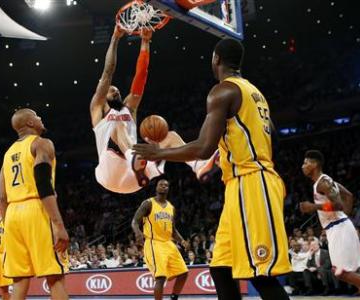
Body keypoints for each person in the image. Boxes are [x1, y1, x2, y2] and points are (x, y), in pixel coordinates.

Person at [133, 38, 291, 300]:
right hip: (240, 184)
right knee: (221, 268)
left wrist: (159, 152)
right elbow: (272, 135)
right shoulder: (254, 93)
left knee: (260, 274)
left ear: (216, 58)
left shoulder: (222, 91)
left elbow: (204, 147)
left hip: (251, 182)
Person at [90, 25, 218, 194]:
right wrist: (115, 38)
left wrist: (145, 41)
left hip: (133, 180)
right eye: (112, 90)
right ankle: (134, 158)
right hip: (109, 174)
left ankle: (198, 165)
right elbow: (108, 71)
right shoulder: (97, 109)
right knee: (118, 125)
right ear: (102, 94)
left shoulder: (130, 109)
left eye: (117, 90)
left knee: (170, 136)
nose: (116, 90)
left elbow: (141, 76)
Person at [0, 109, 69, 299]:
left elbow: (3, 197)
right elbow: (43, 186)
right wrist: (59, 225)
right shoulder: (42, 144)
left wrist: (7, 227)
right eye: (37, 116)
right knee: (55, 277)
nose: (40, 119)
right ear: (30, 123)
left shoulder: (7, 155)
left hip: (12, 215)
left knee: (19, 280)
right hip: (36, 209)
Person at [300, 149, 360, 293]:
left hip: (338, 228)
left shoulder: (322, 183)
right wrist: (345, 218)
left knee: (341, 272)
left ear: (314, 164)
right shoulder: (325, 181)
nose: (302, 166)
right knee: (346, 272)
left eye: (305, 163)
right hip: (339, 226)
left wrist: (314, 207)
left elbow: (338, 204)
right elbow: (348, 195)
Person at [132, 179, 189, 300]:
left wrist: (182, 241)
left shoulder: (171, 208)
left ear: (168, 189)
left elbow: (173, 230)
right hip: (154, 243)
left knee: (184, 273)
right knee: (160, 277)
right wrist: (138, 233)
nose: (164, 187)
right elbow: (134, 221)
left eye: (166, 185)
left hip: (168, 243)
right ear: (156, 188)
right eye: (161, 185)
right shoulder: (148, 203)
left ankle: (174, 297)